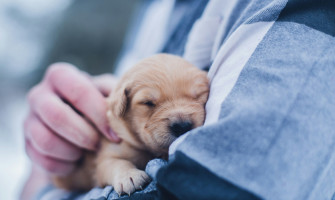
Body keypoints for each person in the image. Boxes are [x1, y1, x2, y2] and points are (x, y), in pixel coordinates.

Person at [22, 0, 335, 199]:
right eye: (149, 103)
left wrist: (40, 191)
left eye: (198, 97)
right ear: (122, 105)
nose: (181, 118)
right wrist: (49, 145)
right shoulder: (152, 9)